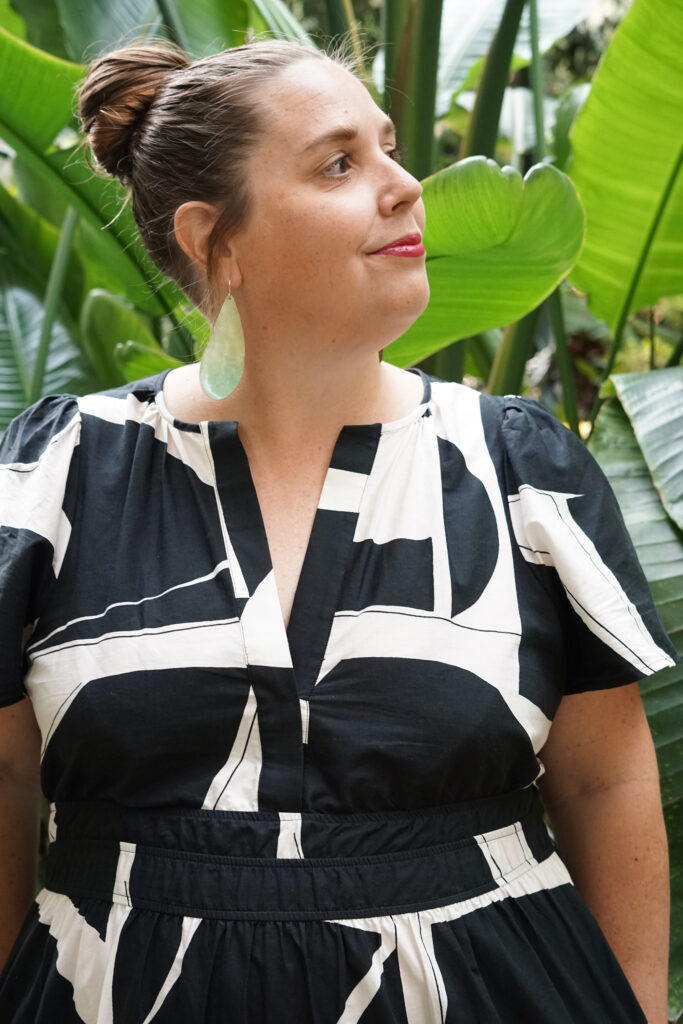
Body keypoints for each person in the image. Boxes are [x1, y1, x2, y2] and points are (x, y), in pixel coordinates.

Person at [0, 37, 677, 1024]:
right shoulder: (54, 477)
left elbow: (602, 774)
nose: (405, 187)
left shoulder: (514, 468)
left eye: (389, 148)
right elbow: (10, 771)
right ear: (211, 238)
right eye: (338, 163)